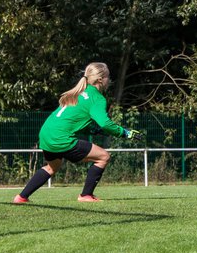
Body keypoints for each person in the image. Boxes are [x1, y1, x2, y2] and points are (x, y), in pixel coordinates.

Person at [13, 62, 137, 204]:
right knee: (103, 156)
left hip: (46, 134)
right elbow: (105, 123)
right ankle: (86, 195)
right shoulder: (96, 97)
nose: (110, 80)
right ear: (100, 79)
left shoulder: (78, 93)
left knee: (52, 167)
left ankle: (21, 197)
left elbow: (75, 121)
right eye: (108, 77)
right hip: (60, 137)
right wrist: (125, 133)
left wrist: (95, 130)